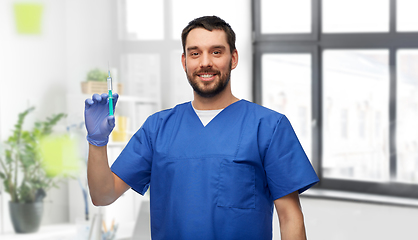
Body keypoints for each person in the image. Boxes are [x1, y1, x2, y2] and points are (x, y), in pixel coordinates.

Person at [85, 16, 319, 240]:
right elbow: (103, 195)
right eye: (195, 53)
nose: (205, 62)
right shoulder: (157, 128)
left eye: (216, 52)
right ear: (184, 61)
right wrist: (97, 142)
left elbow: (290, 218)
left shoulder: (269, 127)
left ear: (233, 58)